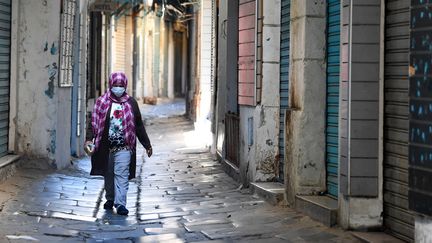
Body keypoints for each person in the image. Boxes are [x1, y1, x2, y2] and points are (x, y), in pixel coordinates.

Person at [88, 71, 152, 215]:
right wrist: (88, 139)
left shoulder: (131, 103)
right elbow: (93, 123)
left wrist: (147, 144)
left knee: (121, 174)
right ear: (110, 84)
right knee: (108, 174)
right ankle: (110, 198)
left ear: (125, 86)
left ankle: (121, 204)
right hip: (106, 147)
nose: (118, 88)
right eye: (115, 85)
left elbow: (139, 125)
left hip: (125, 147)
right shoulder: (102, 101)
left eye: (121, 85)